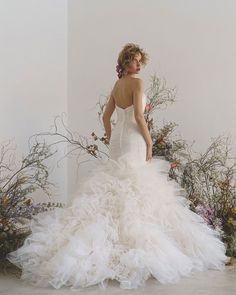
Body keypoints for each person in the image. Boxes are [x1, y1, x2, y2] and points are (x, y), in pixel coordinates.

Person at [6, 43, 229, 290]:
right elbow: (139, 117)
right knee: (135, 183)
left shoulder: (117, 85)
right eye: (134, 61)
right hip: (133, 137)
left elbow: (105, 117)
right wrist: (149, 140)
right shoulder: (137, 82)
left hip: (117, 141)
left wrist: (112, 134)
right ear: (125, 63)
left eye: (140, 61)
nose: (139, 65)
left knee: (117, 182)